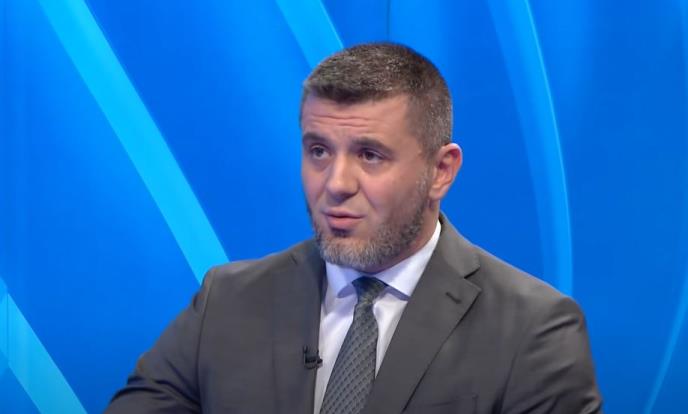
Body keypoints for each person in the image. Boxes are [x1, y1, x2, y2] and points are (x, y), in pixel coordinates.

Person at [106, 42, 602, 414]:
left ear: (441, 171)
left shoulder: (533, 329)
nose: (336, 184)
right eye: (318, 151)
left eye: (370, 155)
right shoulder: (228, 301)